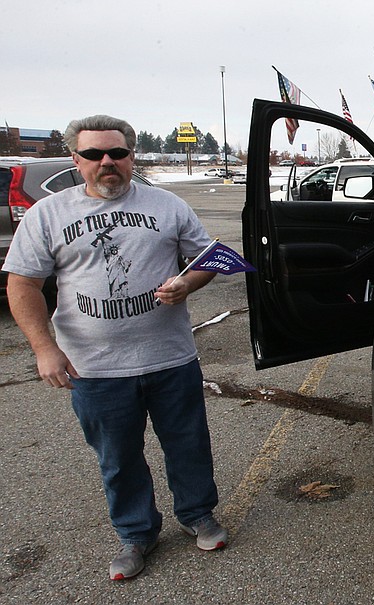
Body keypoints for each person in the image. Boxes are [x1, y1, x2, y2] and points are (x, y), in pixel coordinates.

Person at [2, 114, 228, 581]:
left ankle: (198, 514)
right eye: (93, 154)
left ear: (132, 157)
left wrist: (188, 282)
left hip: (170, 358)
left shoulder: (167, 205)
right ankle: (136, 533)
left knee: (187, 443)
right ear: (76, 160)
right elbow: (23, 284)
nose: (107, 162)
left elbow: (208, 259)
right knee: (118, 456)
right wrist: (44, 348)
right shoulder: (49, 214)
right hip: (94, 367)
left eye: (117, 153)